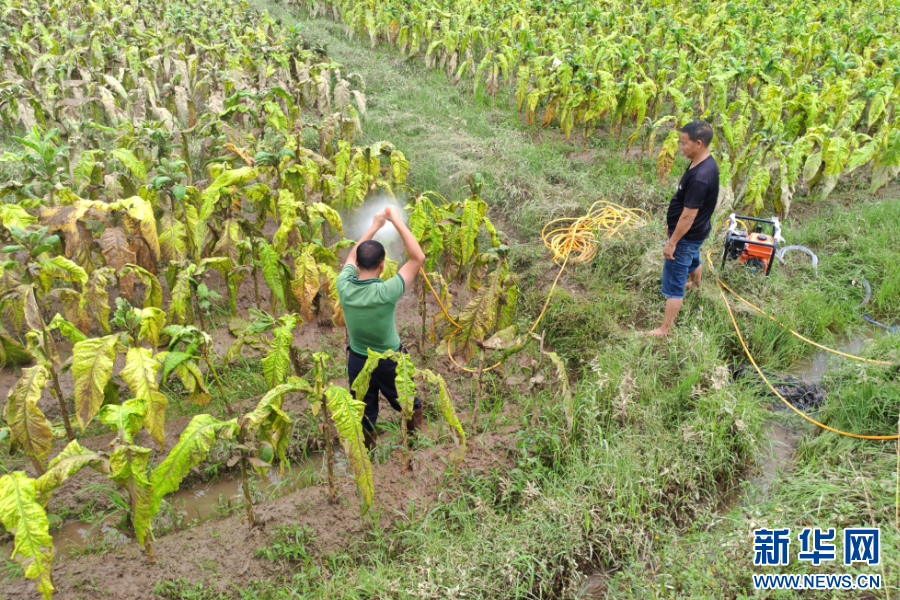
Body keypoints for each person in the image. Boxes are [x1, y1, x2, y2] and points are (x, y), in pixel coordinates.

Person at [336, 206, 426, 449]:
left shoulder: (343, 286)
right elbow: (418, 258)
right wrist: (396, 220)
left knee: (363, 413)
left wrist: (375, 226)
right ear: (383, 266)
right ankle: (414, 443)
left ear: (356, 263)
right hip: (390, 360)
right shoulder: (386, 292)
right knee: (408, 402)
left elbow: (350, 257)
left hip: (357, 361)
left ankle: (369, 455)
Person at [646, 120, 719, 336]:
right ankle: (696, 286)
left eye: (684, 143)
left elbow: (687, 217)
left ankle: (665, 330)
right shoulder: (704, 162)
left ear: (698, 143)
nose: (680, 147)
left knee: (674, 287)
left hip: (686, 235)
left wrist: (672, 243)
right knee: (694, 258)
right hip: (697, 232)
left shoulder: (700, 178)